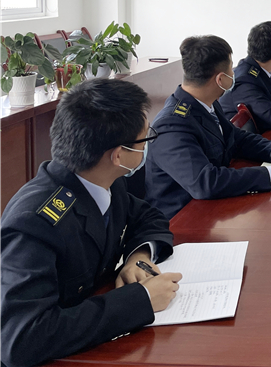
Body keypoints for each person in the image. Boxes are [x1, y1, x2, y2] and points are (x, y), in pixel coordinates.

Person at [1, 79, 180, 367]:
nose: (148, 146)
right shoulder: (34, 223)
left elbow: (148, 216)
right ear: (118, 155)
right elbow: (21, 340)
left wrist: (138, 256)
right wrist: (142, 300)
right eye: (145, 139)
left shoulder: (104, 180)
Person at [146, 36, 271, 219]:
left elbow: (235, 138)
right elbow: (205, 183)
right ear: (220, 79)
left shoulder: (207, 102)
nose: (234, 72)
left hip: (210, 208)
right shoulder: (171, 124)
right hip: (181, 220)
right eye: (231, 67)